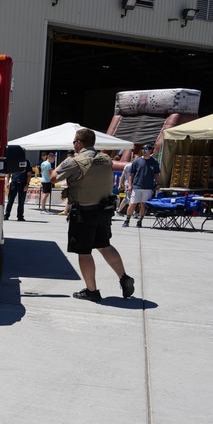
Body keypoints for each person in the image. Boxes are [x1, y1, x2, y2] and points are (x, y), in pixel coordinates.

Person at [51, 128, 136, 303]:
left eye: (74, 142)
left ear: (79, 143)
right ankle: (124, 277)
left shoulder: (76, 161)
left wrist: (66, 160)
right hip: (103, 211)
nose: (74, 145)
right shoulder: (104, 158)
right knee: (104, 245)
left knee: (84, 251)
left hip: (83, 213)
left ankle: (92, 291)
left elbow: (53, 178)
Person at [122, 144, 161, 228]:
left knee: (143, 204)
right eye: (143, 149)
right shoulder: (137, 161)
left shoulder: (154, 162)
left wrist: (158, 184)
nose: (144, 151)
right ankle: (127, 220)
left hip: (148, 187)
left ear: (151, 151)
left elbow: (157, 174)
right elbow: (131, 174)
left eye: (146, 149)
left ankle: (140, 221)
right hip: (137, 186)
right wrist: (130, 185)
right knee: (132, 203)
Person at [4, 157, 30, 221]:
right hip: (14, 183)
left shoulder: (26, 162)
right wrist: (7, 182)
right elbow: (9, 172)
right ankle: (7, 215)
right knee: (10, 200)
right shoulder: (14, 161)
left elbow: (29, 174)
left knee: (20, 201)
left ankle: (20, 216)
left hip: (22, 184)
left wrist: (27, 184)